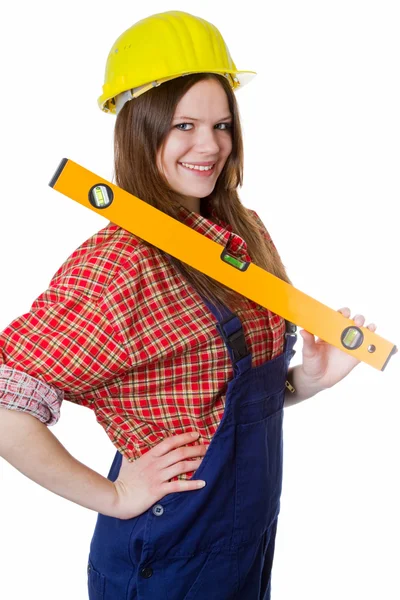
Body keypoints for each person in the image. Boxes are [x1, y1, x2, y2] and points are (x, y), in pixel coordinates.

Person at [0, 10, 377, 600]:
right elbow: (4, 403)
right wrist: (116, 496)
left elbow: (214, 397)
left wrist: (306, 380)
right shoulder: (122, 264)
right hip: (168, 555)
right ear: (139, 129)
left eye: (222, 124)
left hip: (245, 541)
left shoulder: (240, 234)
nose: (211, 146)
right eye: (184, 125)